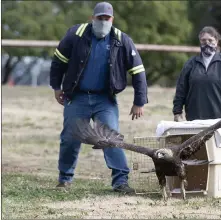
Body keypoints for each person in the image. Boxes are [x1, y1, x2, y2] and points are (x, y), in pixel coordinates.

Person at [50, 1, 148, 193]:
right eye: (99, 18)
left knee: (111, 137)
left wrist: (139, 101)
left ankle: (120, 182)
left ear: (112, 19)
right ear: (92, 18)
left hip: (105, 100)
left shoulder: (121, 40)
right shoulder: (75, 35)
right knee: (70, 137)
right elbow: (58, 61)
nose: (103, 21)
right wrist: (56, 87)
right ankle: (64, 179)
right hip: (77, 97)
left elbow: (138, 71)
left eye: (106, 18)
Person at [173, 26, 221, 122]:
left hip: (220, 120)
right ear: (200, 41)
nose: (207, 43)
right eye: (203, 40)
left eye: (210, 40)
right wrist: (177, 112)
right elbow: (181, 90)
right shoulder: (190, 64)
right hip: (194, 119)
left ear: (216, 41)